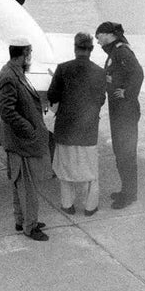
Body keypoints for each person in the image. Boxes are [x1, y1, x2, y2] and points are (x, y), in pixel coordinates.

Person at [47, 31, 106, 216]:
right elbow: (101, 99)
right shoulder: (99, 72)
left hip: (66, 129)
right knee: (90, 173)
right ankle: (90, 207)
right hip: (88, 131)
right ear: (91, 49)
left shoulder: (63, 69)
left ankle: (67, 205)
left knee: (66, 172)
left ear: (75, 48)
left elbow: (52, 95)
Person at [0, 36, 51, 241]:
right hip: (19, 140)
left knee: (19, 182)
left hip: (17, 140)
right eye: (29, 54)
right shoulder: (9, 76)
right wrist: (29, 129)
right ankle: (30, 226)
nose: (30, 58)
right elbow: (7, 111)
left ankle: (22, 220)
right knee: (27, 185)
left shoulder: (15, 72)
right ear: (25, 54)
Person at [94, 21, 143, 209]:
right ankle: (126, 190)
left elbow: (138, 73)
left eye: (99, 37)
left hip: (126, 113)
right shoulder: (115, 52)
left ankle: (130, 195)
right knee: (120, 152)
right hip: (119, 112)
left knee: (126, 153)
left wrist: (127, 92)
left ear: (108, 35)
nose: (98, 43)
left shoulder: (122, 52)